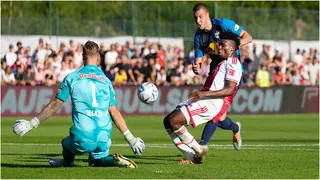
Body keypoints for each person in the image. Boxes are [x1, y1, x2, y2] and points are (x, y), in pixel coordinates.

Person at [13, 41, 145, 168]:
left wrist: (31, 124)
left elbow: (55, 105)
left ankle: (68, 162)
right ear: (98, 58)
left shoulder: (72, 77)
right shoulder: (106, 81)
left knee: (65, 143)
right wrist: (131, 138)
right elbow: (114, 112)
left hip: (83, 137)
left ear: (82, 57)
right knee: (96, 161)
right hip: (104, 137)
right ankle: (115, 161)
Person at [163, 32, 243, 164]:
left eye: (223, 45)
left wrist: (204, 94)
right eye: (219, 44)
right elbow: (206, 49)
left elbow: (230, 89)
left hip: (210, 103)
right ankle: (189, 155)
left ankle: (198, 150)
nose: (219, 47)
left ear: (232, 49)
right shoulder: (223, 60)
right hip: (203, 98)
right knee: (168, 121)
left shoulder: (233, 63)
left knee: (175, 121)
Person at [191, 3, 252, 151]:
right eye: (195, 18)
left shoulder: (223, 24)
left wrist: (235, 45)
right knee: (220, 118)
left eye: (200, 17)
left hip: (232, 73)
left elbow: (248, 37)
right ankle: (235, 128)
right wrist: (196, 68)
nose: (198, 21)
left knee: (215, 115)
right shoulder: (199, 36)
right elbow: (198, 61)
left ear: (207, 15)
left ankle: (201, 148)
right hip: (215, 74)